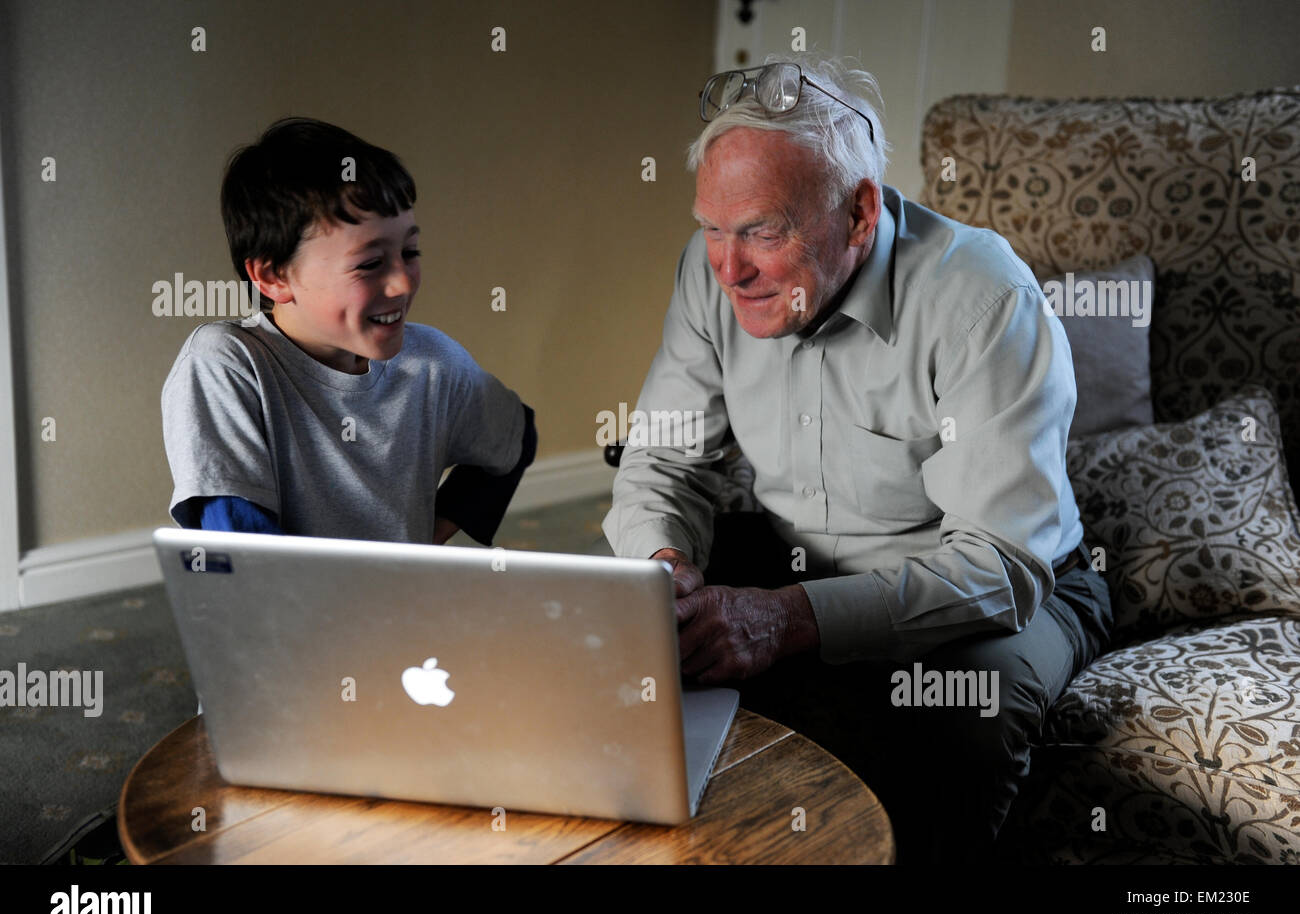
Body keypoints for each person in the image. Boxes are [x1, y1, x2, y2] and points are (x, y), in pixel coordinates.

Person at [601, 55, 1113, 864]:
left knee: (963, 715)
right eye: (711, 228)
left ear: (860, 213)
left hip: (996, 584)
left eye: (763, 231)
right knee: (610, 635)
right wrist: (663, 568)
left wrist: (787, 619)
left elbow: (1003, 562)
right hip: (795, 550)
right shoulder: (715, 280)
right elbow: (662, 463)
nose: (727, 269)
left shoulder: (983, 299)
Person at [162, 117, 536, 546]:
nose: (403, 283)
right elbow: (247, 557)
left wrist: (426, 546)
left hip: (395, 609)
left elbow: (516, 433)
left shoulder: (435, 362)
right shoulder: (225, 363)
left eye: (409, 252)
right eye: (370, 264)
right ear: (273, 277)